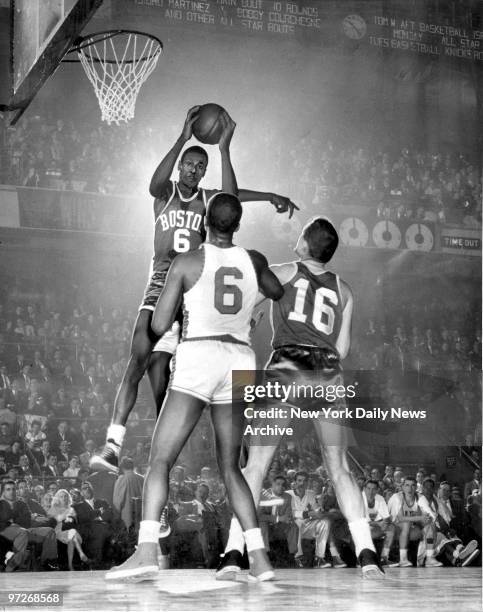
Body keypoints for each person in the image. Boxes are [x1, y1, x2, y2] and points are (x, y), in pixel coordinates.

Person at [90, 106, 297, 473]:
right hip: (159, 284)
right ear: (181, 165)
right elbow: (153, 183)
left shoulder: (207, 201)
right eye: (190, 164)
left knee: (183, 379)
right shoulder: (164, 193)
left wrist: (232, 157)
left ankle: (236, 455)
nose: (194, 170)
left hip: (193, 291)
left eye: (200, 168)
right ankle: (112, 445)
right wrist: (183, 137)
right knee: (138, 357)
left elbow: (232, 197)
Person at [105, 192, 283, 582]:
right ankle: (259, 559)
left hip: (201, 355)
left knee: (161, 460)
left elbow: (158, 323)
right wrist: (249, 306)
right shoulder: (253, 260)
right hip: (240, 359)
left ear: (205, 223)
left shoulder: (187, 261)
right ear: (237, 226)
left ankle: (147, 551)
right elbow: (277, 290)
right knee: (230, 466)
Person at [217, 217, 384, 580]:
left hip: (289, 366)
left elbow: (243, 299)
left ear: (306, 244)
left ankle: (233, 552)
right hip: (326, 371)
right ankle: (368, 554)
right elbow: (342, 347)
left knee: (257, 463)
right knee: (338, 466)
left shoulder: (285, 271)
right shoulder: (345, 290)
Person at [48, 489, 90, 570]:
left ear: (68, 498)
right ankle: (81, 554)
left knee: (72, 536)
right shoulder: (54, 508)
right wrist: (68, 513)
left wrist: (70, 518)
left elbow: (75, 521)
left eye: (65, 496)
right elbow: (58, 519)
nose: (63, 498)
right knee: (72, 533)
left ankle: (70, 565)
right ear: (57, 498)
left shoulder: (72, 509)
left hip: (70, 531)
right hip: (58, 532)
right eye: (61, 497)